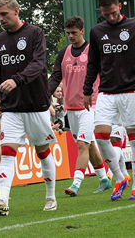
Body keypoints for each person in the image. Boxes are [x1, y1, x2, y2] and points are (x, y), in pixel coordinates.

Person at [0, 0, 57, 215]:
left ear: (16, 11)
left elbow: (39, 64)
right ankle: (2, 200)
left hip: (35, 105)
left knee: (42, 151)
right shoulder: (0, 40)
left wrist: (17, 80)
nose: (1, 19)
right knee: (7, 152)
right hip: (12, 108)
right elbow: (2, 72)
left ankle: (51, 197)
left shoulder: (35, 33)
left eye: (4, 14)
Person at [83, 0, 135, 201]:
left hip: (132, 91)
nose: (110, 18)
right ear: (101, 12)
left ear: (119, 7)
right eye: (106, 15)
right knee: (101, 134)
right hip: (107, 91)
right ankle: (121, 177)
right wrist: (87, 90)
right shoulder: (97, 31)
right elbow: (93, 63)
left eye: (113, 13)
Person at [48, 16, 111, 196]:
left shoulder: (93, 51)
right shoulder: (64, 53)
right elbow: (55, 77)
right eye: (68, 33)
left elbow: (104, 74)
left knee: (82, 144)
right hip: (71, 107)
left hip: (90, 105)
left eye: (74, 33)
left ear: (82, 31)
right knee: (89, 145)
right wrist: (45, 93)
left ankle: (75, 184)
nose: (71, 36)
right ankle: (104, 179)